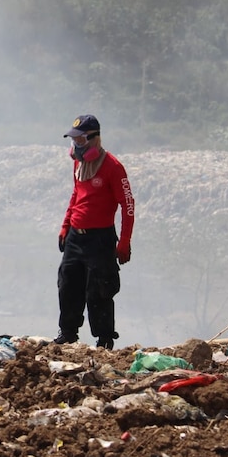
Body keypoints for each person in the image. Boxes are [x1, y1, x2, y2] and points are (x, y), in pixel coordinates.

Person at [54, 114, 134, 350]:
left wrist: (124, 242)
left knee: (99, 290)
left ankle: (104, 338)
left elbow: (128, 206)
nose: (76, 144)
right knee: (68, 284)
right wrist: (65, 225)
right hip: (75, 236)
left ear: (94, 139)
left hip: (100, 239)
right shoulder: (78, 164)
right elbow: (75, 195)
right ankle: (68, 332)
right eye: (74, 140)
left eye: (80, 140)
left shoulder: (113, 167)